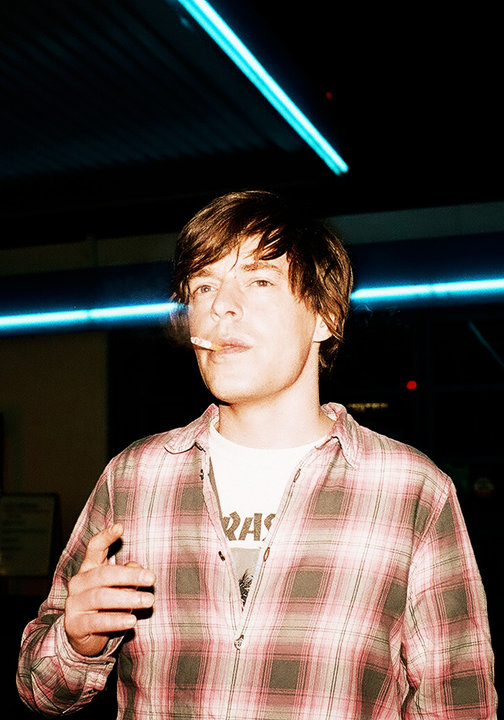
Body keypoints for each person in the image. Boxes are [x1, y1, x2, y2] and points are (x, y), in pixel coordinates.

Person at [17, 190, 497, 718]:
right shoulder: (134, 477)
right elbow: (40, 690)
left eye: (260, 280)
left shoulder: (412, 490)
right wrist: (76, 641)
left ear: (324, 317)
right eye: (204, 286)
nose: (220, 305)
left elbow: (461, 703)